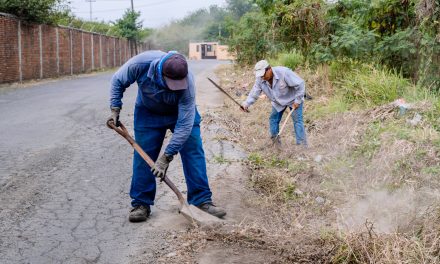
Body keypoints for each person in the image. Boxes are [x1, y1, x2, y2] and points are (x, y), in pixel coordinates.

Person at [108, 50, 226, 222]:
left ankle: (201, 200)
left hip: (180, 112)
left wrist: (167, 157)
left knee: (193, 151)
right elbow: (117, 81)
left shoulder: (188, 83)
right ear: (159, 73)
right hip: (148, 112)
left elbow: (185, 125)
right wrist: (115, 108)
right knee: (143, 155)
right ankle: (141, 203)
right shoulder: (140, 64)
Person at [241, 60, 307, 146]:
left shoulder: (284, 73)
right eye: (260, 75)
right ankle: (276, 145)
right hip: (278, 102)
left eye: (263, 74)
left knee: (298, 121)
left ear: (269, 69)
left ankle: (301, 146)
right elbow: (254, 93)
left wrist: (298, 100)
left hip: (293, 100)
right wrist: (246, 104)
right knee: (273, 120)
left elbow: (300, 84)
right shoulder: (260, 78)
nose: (262, 77)